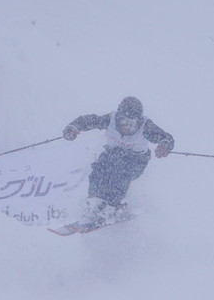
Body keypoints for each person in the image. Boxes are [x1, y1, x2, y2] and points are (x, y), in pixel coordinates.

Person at [62, 96, 174, 225]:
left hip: (136, 160)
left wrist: (164, 145)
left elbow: (167, 138)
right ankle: (94, 202)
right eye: (122, 121)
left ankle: (113, 206)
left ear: (138, 121)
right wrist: (74, 127)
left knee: (120, 172)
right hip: (112, 154)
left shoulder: (146, 126)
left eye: (130, 124)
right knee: (99, 169)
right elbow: (90, 120)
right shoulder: (111, 119)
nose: (125, 126)